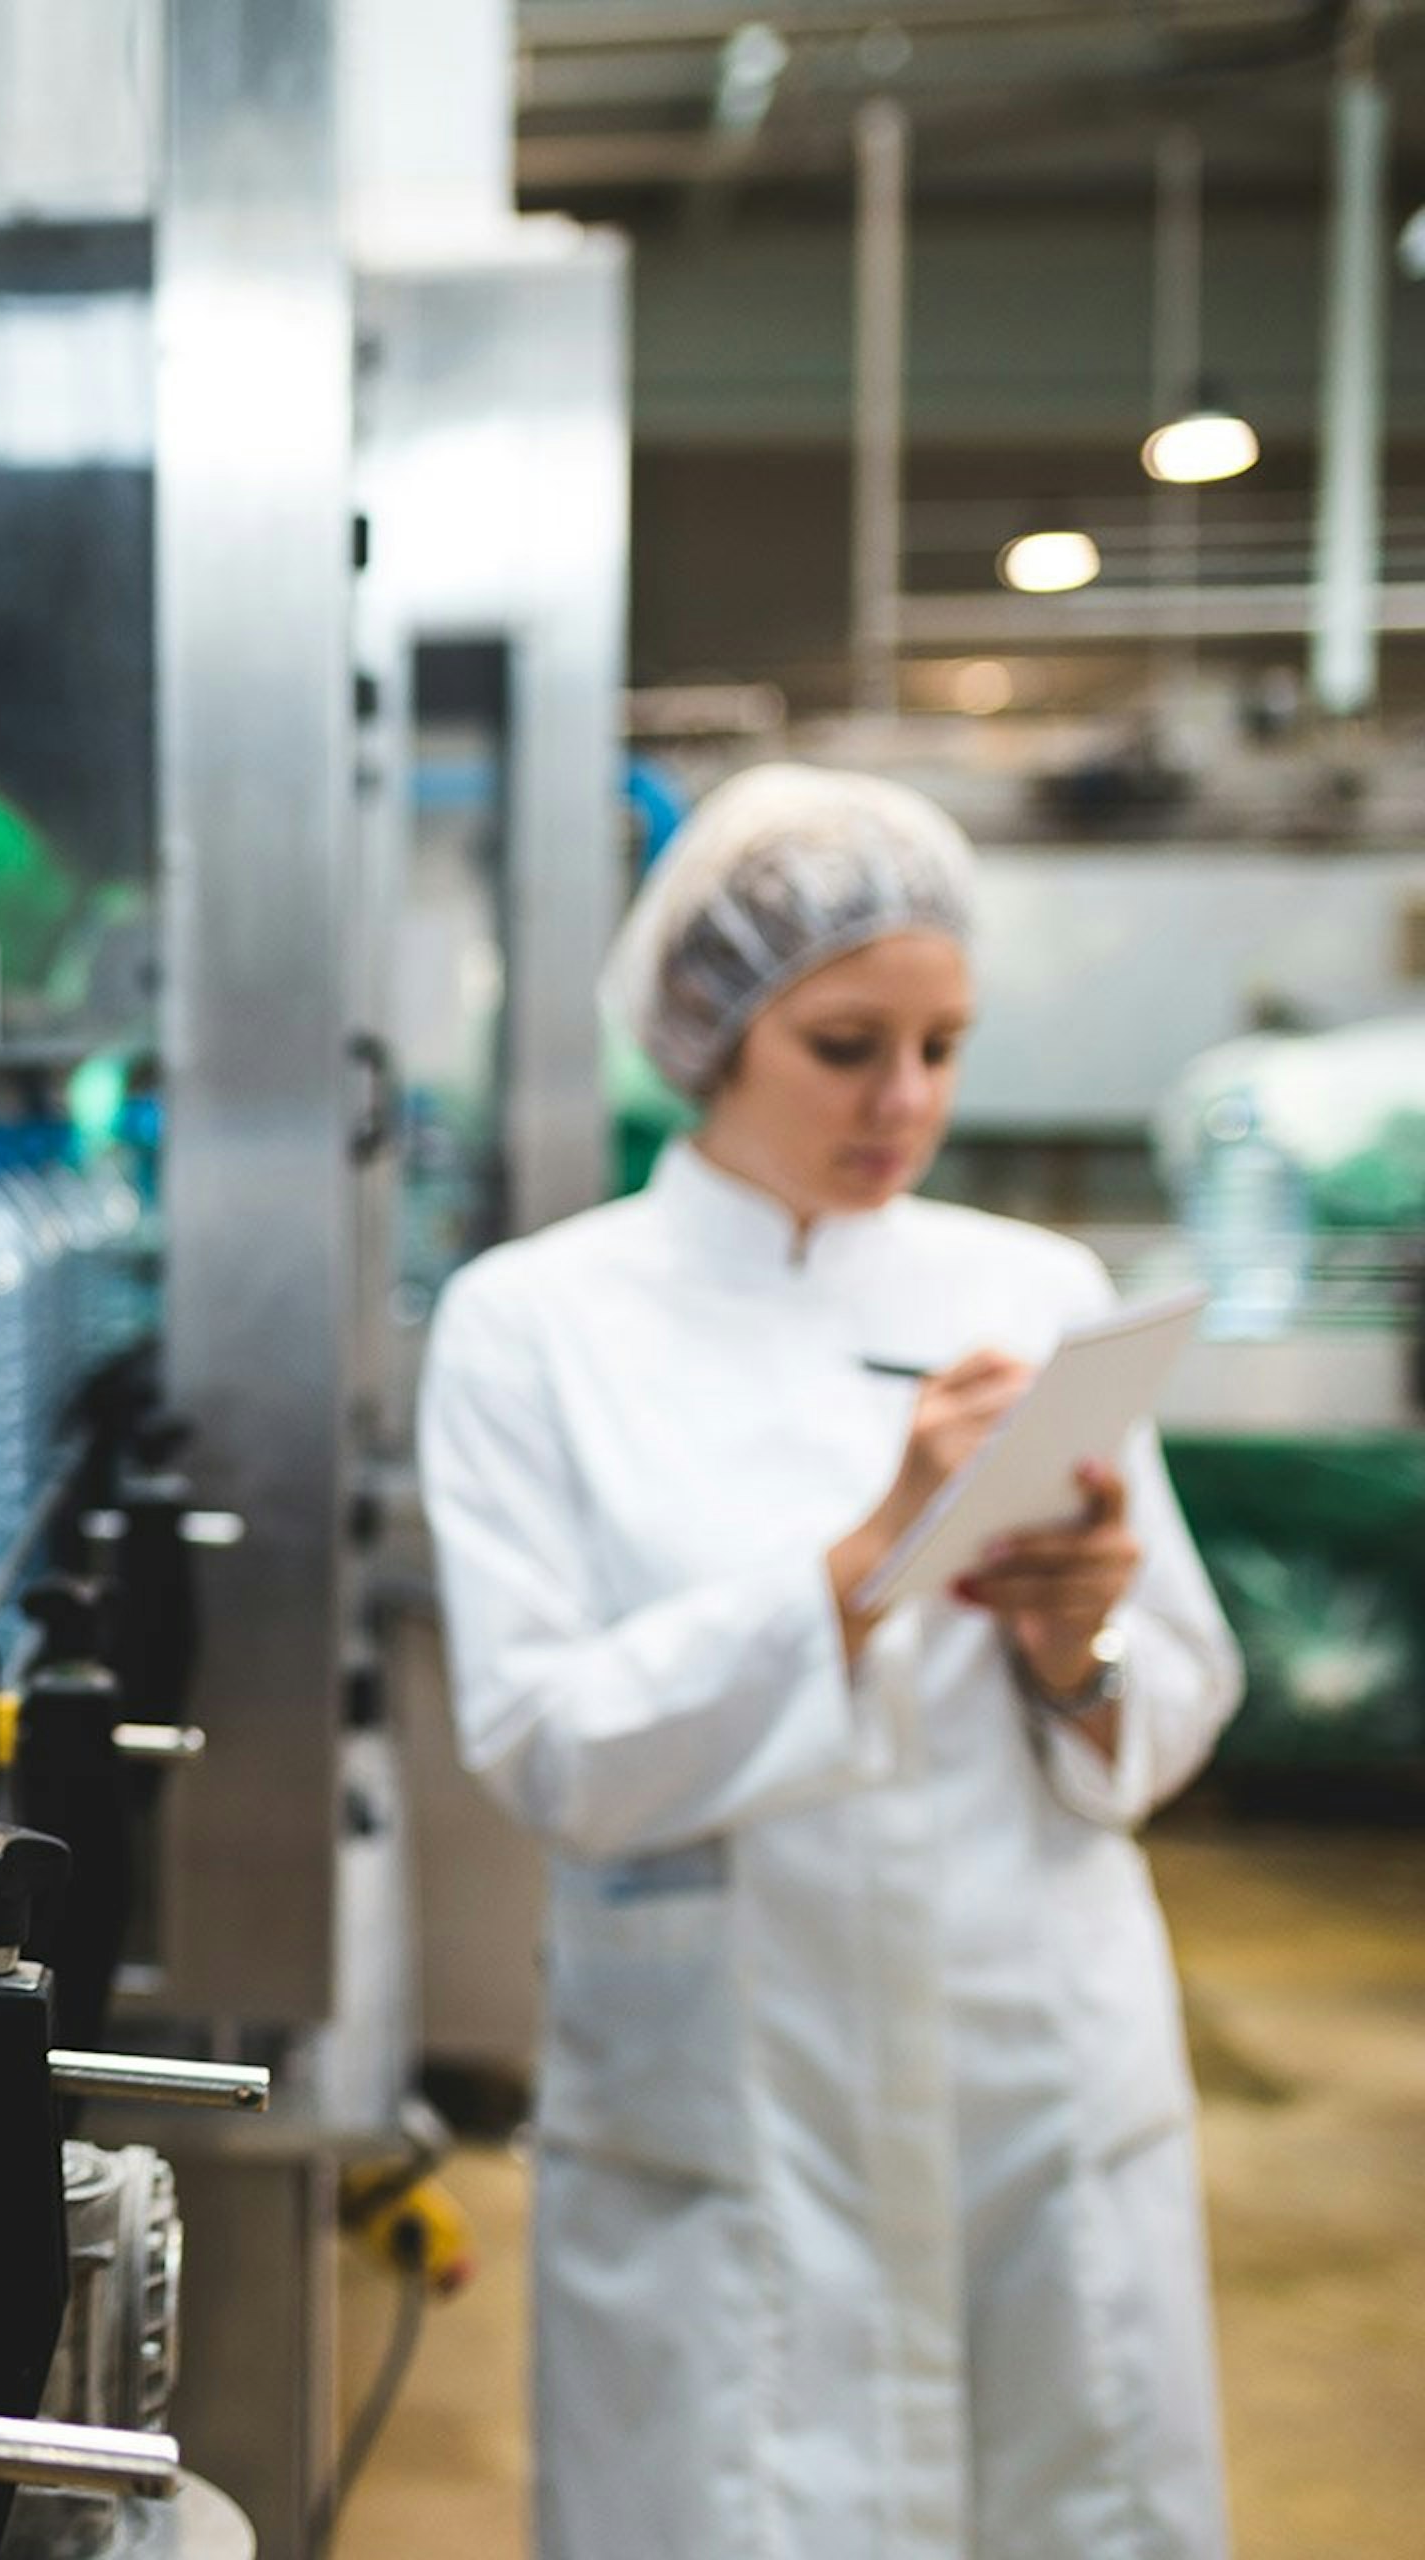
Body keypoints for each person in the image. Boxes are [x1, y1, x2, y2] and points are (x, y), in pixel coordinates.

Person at [418, 763, 1244, 2560]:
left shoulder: (1030, 1290)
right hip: (731, 2108)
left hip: (1039, 2081)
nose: (910, 1101)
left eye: (944, 1045)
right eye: (849, 1046)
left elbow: (1171, 1695)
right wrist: (868, 1563)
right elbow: (551, 1747)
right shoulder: (539, 1326)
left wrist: (1072, 1639)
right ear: (714, 1031)